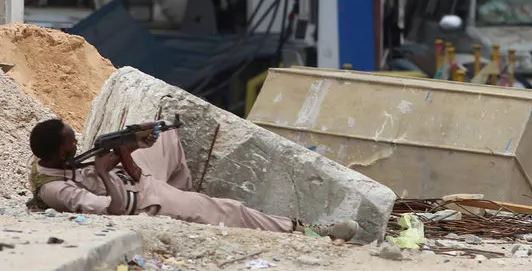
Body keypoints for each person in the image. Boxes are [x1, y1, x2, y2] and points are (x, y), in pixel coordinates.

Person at [26, 119, 359, 241]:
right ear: (57, 156)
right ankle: (308, 231)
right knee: (230, 210)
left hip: (135, 180)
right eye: (71, 147)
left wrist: (129, 147)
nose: (76, 149)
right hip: (141, 201)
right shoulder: (55, 190)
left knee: (164, 134)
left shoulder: (57, 160)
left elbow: (107, 166)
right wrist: (102, 171)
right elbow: (114, 209)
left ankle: (185, 203)